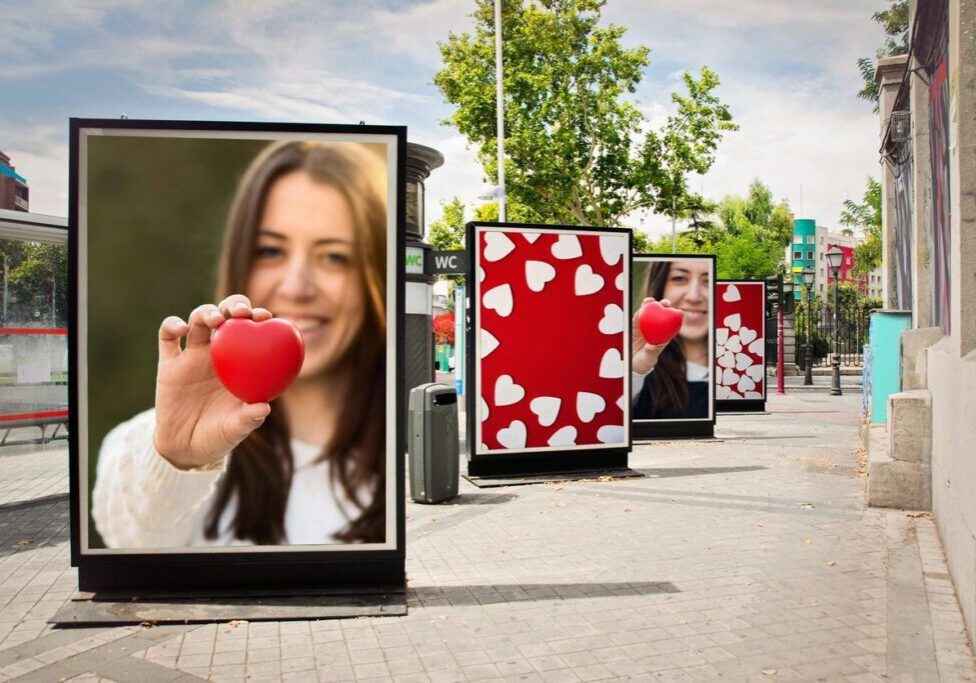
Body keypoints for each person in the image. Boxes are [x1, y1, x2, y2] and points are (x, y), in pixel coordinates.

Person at [92, 141, 387, 548]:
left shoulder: (397, 445)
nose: (297, 287)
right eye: (270, 250)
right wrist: (178, 459)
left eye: (335, 256)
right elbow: (134, 546)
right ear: (239, 260)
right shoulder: (140, 447)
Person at [631, 259, 711, 419]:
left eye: (708, 280)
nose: (694, 297)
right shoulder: (647, 376)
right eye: (679, 278)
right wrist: (635, 370)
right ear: (660, 285)